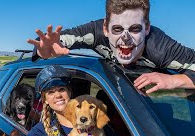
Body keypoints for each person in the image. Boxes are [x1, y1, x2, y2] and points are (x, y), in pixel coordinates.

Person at [27, 0, 195, 94]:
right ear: (106, 29)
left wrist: (174, 80)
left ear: (147, 28)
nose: (125, 38)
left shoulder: (161, 48)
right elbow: (51, 41)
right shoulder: (94, 32)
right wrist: (45, 52)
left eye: (135, 29)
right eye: (117, 29)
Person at [10, 65, 133, 136]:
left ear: (69, 92)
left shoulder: (91, 121)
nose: (57, 95)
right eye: (50, 92)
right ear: (45, 100)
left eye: (61, 89)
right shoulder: (43, 128)